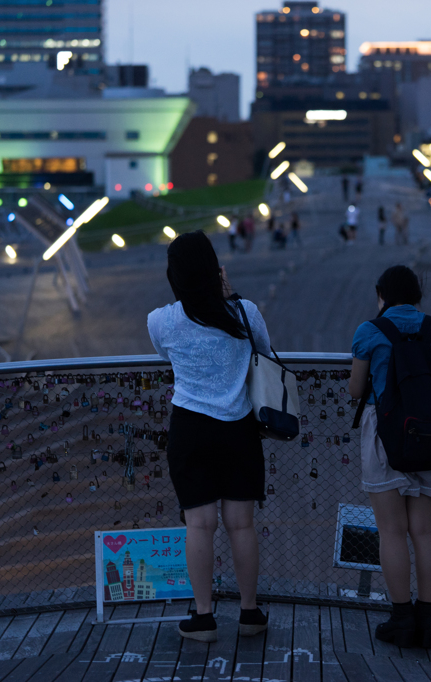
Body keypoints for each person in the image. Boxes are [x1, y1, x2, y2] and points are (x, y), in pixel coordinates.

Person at [147, 231, 270, 642]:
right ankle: (250, 613)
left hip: (191, 428)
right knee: (241, 525)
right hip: (239, 428)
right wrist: (229, 295)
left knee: (199, 526)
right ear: (216, 268)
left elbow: (166, 353)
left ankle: (203, 618)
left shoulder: (161, 320)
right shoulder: (245, 312)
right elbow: (264, 351)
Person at [347, 265, 431, 649]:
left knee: (391, 531)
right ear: (418, 296)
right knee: (424, 531)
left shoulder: (370, 331)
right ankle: (427, 618)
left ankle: (401, 618)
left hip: (386, 438)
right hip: (430, 437)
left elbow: (355, 389)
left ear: (381, 295)